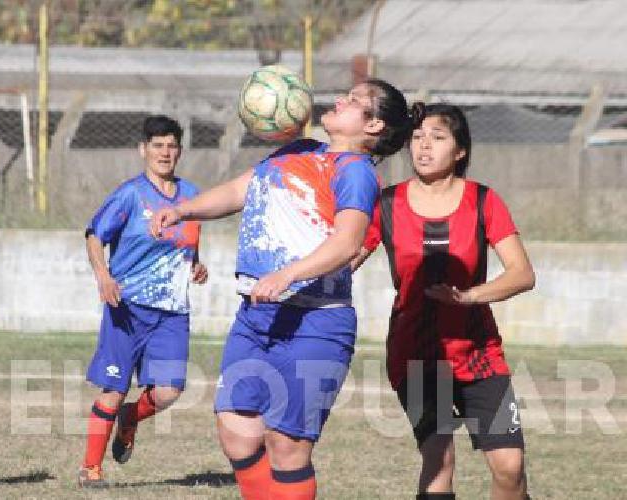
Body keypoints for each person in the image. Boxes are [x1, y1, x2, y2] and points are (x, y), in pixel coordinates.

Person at [149, 79, 416, 499]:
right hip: (258, 316)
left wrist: (287, 275)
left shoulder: (356, 173)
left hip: (316, 321)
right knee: (236, 433)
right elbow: (240, 189)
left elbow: (347, 242)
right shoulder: (299, 150)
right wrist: (182, 210)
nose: (341, 98)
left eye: (354, 101)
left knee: (287, 446)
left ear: (374, 124)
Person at [350, 104, 536, 500]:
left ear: (460, 150)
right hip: (415, 356)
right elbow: (344, 258)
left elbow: (522, 273)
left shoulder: (483, 201)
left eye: (437, 138)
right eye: (417, 138)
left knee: (510, 467)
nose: (423, 147)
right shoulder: (386, 204)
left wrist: (468, 297)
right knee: (439, 457)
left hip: (479, 355)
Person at [77, 115, 209, 488]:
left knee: (168, 392)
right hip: (127, 308)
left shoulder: (192, 195)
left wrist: (196, 266)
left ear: (179, 150)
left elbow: (187, 246)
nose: (165, 153)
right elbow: (93, 235)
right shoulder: (131, 194)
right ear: (143, 150)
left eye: (171, 146)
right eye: (157, 145)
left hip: (172, 312)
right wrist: (103, 275)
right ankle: (90, 469)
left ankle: (132, 417)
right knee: (114, 390)